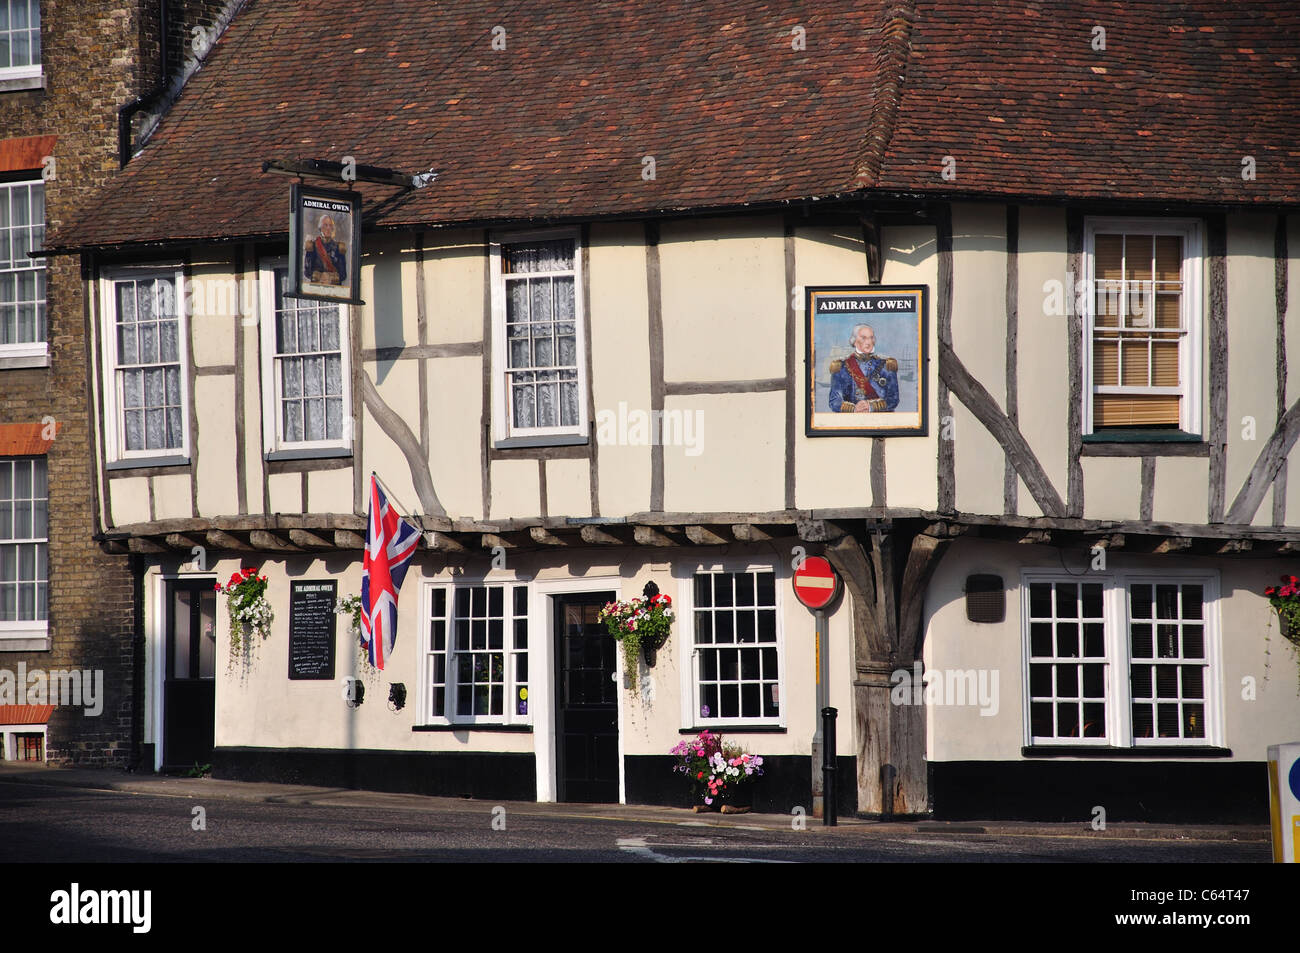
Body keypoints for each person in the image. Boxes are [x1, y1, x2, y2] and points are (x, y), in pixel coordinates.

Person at [828, 323, 899, 413]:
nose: (868, 342)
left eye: (871, 337)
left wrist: (871, 406)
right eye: (864, 338)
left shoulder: (886, 365)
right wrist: (854, 409)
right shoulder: (840, 367)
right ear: (854, 341)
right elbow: (834, 401)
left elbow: (894, 399)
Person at [303, 212, 347, 285]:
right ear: (320, 228)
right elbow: (307, 272)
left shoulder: (339, 247)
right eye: (325, 225)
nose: (328, 228)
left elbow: (343, 274)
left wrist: (330, 277)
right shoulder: (313, 246)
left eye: (330, 226)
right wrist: (320, 276)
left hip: (334, 288)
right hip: (317, 288)